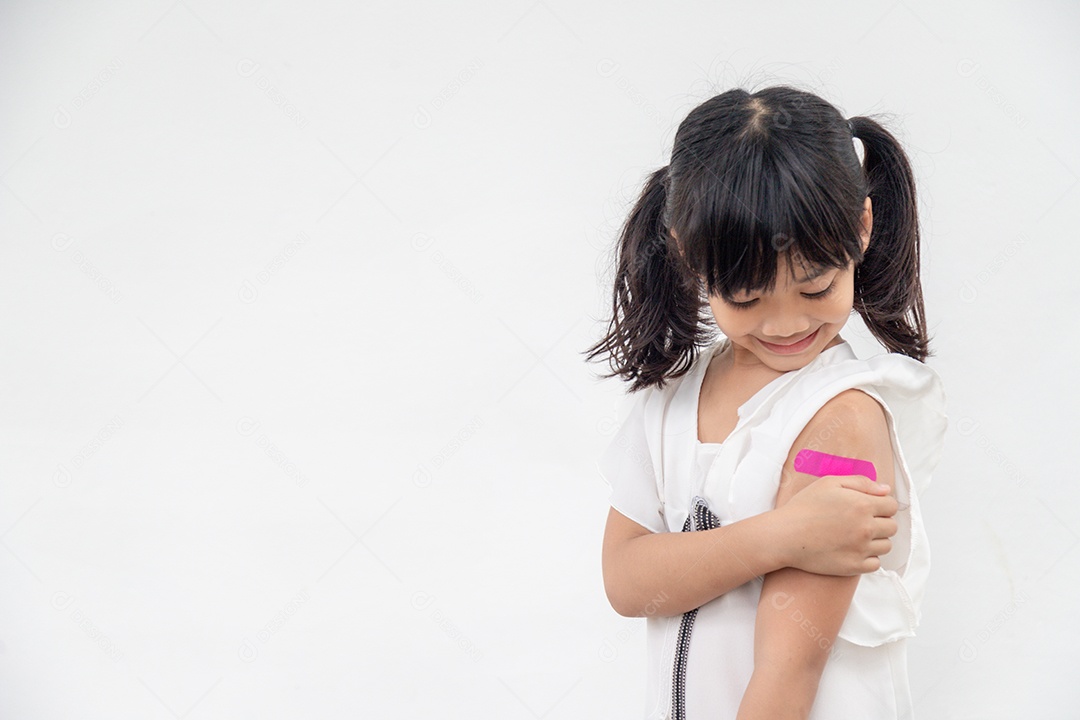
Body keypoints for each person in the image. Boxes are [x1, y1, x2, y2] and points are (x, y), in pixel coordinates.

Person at [584, 86, 947, 719]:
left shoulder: (842, 417)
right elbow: (626, 580)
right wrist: (782, 535)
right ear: (688, 254)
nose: (785, 325)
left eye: (816, 287)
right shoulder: (672, 398)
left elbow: (791, 669)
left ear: (861, 227)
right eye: (748, 300)